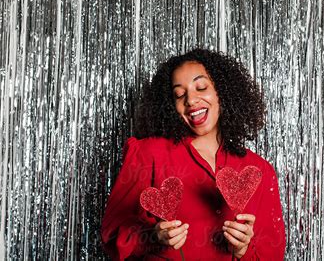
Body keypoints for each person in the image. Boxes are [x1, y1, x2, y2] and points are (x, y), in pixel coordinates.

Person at [101, 49, 286, 260]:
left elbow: (272, 252)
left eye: (201, 87)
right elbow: (112, 234)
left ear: (222, 91)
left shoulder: (259, 170)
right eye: (179, 94)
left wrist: (243, 251)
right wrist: (153, 237)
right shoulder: (148, 154)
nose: (190, 100)